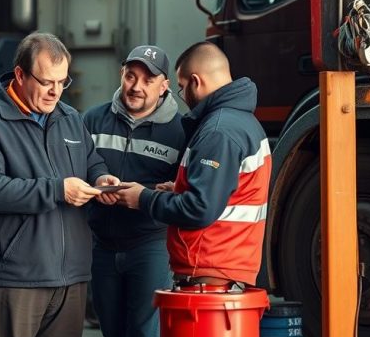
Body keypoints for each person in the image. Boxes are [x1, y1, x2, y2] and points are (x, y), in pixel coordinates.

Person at [0, 32, 122, 337]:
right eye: (46, 82)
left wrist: (100, 177)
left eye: (62, 82)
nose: (55, 92)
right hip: (19, 274)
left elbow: (91, 161)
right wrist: (57, 190)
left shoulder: (70, 119)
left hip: (71, 277)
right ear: (20, 75)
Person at [116, 41, 270, 289]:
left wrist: (142, 198)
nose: (184, 96)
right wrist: (178, 190)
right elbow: (226, 194)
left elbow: (200, 208)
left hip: (210, 273)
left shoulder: (218, 132)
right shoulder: (243, 122)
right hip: (226, 269)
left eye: (183, 87)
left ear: (196, 82)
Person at [82, 45, 186, 337]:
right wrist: (96, 184)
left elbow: (187, 193)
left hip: (151, 244)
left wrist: (167, 192)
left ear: (164, 85)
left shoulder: (181, 131)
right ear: (122, 75)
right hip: (102, 245)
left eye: (148, 79)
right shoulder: (92, 121)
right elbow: (74, 170)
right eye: (131, 76)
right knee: (113, 330)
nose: (136, 86)